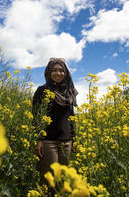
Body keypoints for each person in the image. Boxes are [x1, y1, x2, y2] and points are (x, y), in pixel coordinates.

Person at [32, 58, 78, 186]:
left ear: (66, 73)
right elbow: (36, 116)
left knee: (62, 181)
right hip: (48, 141)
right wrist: (39, 140)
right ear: (48, 72)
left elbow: (71, 117)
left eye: (61, 70)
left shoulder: (68, 92)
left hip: (66, 141)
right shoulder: (42, 91)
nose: (58, 73)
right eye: (54, 70)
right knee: (49, 181)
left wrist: (74, 139)